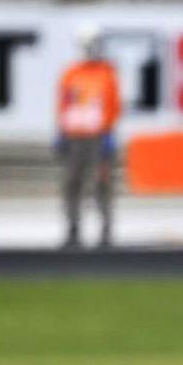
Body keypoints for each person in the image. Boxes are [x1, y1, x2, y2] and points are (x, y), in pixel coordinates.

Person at [56, 25, 121, 249]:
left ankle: (106, 229)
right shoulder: (71, 73)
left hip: (97, 137)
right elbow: (63, 104)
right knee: (72, 183)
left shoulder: (106, 73)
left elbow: (113, 105)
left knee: (102, 183)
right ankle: (73, 228)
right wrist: (61, 131)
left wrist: (108, 132)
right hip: (75, 137)